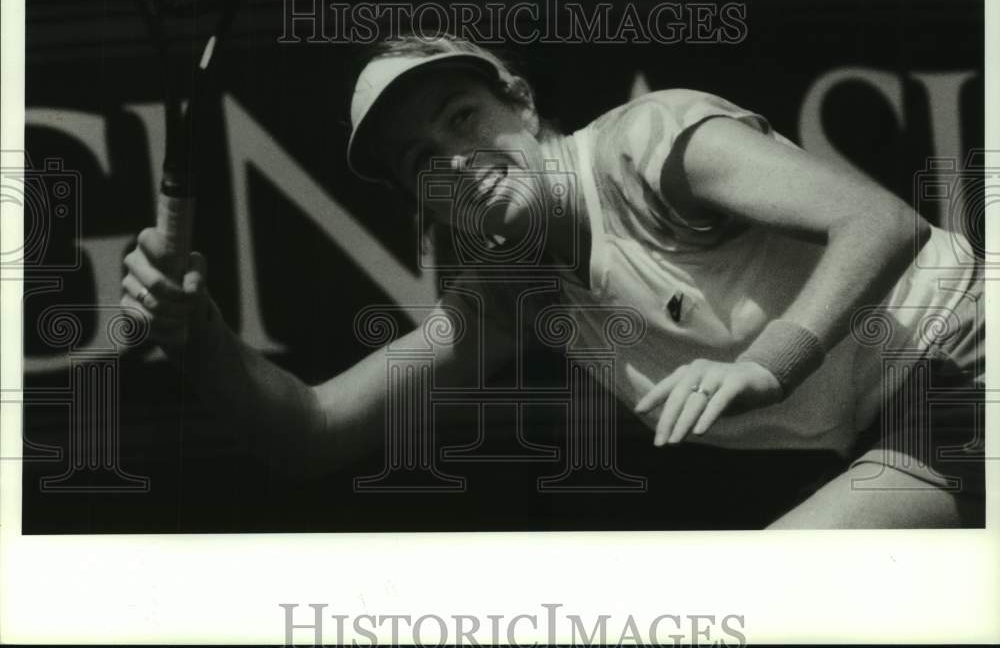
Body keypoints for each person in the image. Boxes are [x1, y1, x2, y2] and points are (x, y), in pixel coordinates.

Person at [121, 34, 985, 527]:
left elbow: (884, 222)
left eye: (465, 118)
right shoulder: (514, 291)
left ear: (523, 105)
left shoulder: (653, 145)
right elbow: (307, 435)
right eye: (425, 161)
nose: (458, 161)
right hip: (898, 430)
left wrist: (763, 363)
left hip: (968, 360)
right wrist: (198, 339)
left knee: (762, 602)